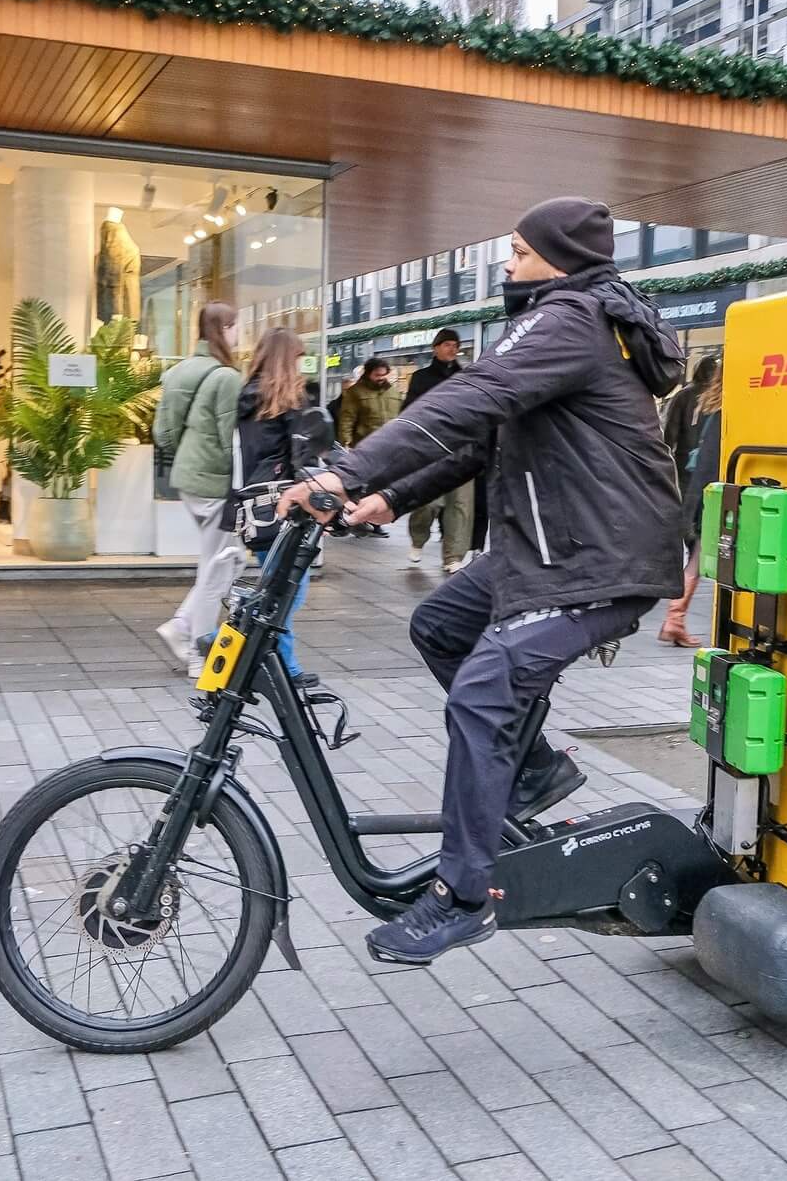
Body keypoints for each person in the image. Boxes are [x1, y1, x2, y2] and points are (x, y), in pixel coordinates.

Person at [281, 196, 684, 964]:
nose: (508, 263)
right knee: (440, 625)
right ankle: (534, 769)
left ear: (559, 261)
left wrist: (344, 468)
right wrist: (386, 495)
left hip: (603, 555)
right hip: (554, 547)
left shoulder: (568, 320)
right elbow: (486, 437)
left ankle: (464, 895)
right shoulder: (562, 322)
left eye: (520, 252)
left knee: (483, 692)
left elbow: (470, 400)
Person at [234, 327, 335, 692]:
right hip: (285, 505)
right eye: (298, 356)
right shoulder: (290, 402)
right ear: (287, 358)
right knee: (286, 591)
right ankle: (224, 640)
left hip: (255, 505)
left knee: (279, 587)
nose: (301, 363)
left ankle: (285, 666)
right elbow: (303, 461)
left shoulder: (248, 399)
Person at [152, 302, 244, 679]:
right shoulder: (226, 377)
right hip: (215, 481)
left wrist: (184, 457)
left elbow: (164, 431)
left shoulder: (180, 371)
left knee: (223, 559)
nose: (239, 333)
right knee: (220, 567)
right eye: (236, 326)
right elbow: (229, 440)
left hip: (190, 478)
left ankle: (183, 626)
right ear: (223, 328)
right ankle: (196, 650)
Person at [658, 359, 723, 647]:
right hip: (716, 491)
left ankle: (675, 619)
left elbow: (669, 438)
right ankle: (675, 618)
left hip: (694, 485)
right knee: (701, 557)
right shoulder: (729, 409)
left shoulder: (708, 403)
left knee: (698, 556)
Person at [403, 329, 475, 572]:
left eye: (455, 345)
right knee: (429, 502)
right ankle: (418, 538)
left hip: (462, 446)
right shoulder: (420, 378)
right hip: (431, 446)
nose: (452, 349)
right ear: (436, 347)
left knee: (461, 504)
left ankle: (453, 556)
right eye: (446, 344)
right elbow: (410, 411)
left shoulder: (466, 376)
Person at [336, 358, 399, 536]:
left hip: (388, 447)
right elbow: (347, 418)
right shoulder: (355, 392)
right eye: (377, 374)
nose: (381, 377)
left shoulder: (393, 392)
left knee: (381, 485)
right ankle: (358, 520)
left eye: (384, 374)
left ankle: (374, 521)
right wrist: (346, 443)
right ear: (368, 373)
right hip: (363, 446)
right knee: (362, 486)